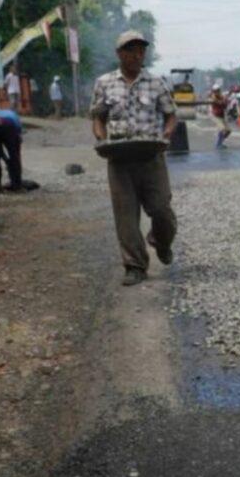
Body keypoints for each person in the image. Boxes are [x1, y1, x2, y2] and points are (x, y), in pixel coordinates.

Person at [91, 30, 177, 286]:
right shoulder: (104, 83)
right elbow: (98, 116)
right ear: (119, 54)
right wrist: (101, 138)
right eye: (130, 50)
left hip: (151, 155)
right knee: (126, 215)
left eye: (141, 50)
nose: (136, 55)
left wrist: (167, 134)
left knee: (161, 209)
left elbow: (171, 114)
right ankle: (135, 265)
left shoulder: (156, 83)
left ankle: (161, 241)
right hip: (119, 157)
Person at [0, 107, 23, 193]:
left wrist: (3, 156)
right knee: (15, 156)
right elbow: (18, 135)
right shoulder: (14, 116)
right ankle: (17, 186)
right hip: (8, 125)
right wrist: (9, 160)